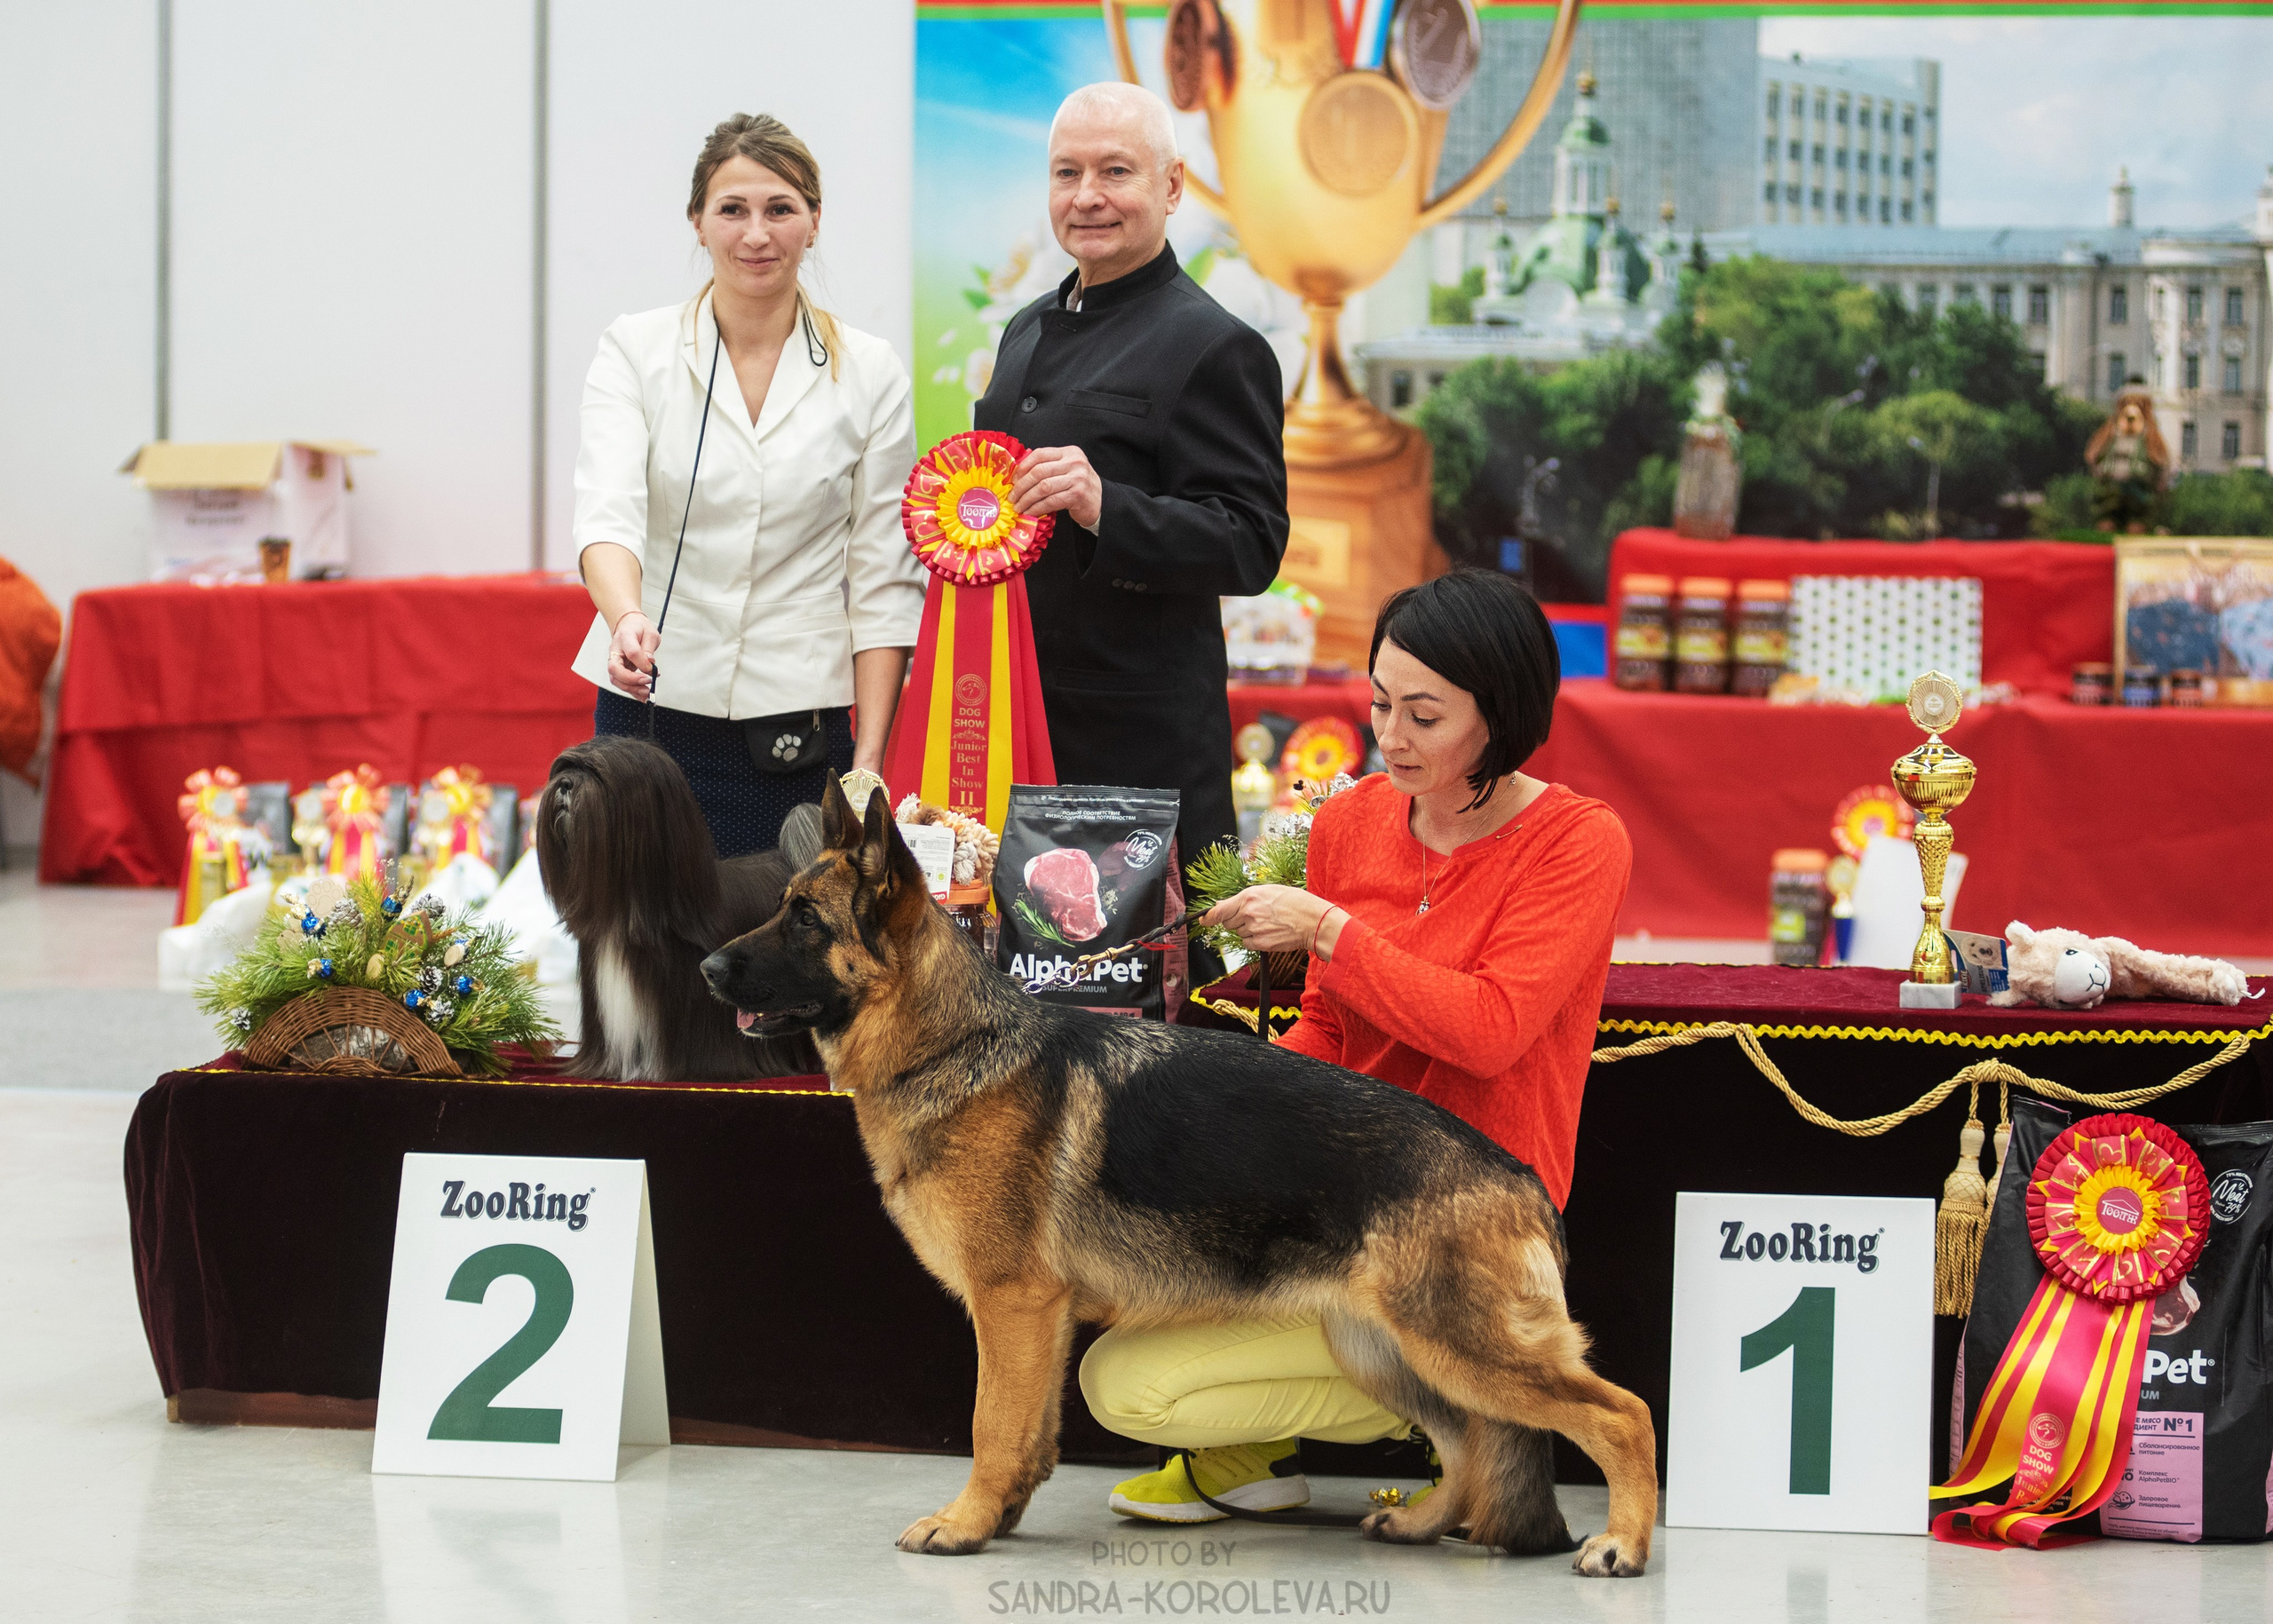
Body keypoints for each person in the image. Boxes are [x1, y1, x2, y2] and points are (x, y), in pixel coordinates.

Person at [1080, 570, 1633, 1522]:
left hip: (1468, 1213)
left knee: (1145, 1379)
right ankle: (1378, 1431)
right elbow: (1329, 1029)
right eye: (1380, 702)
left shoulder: (1576, 841)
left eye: (1424, 713)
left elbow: (1489, 1030)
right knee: (1120, 1373)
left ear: (1499, 716)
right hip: (1321, 1202)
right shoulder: (1348, 820)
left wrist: (1331, 928)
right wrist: (1232, 1121)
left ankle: (1459, 1394)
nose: (1390, 735)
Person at [571, 114, 923, 856]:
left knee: (789, 965)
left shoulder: (870, 370)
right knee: (639, 952)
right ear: (697, 223)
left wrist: (868, 765)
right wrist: (624, 614)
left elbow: (883, 578)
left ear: (815, 222)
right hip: (653, 710)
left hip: (801, 726)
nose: (756, 234)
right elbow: (608, 511)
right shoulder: (635, 350)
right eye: (732, 210)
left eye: (780, 209)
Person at [975, 83, 1287, 881]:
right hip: (1011, 719)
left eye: (1116, 172)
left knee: (1154, 993)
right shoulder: (1023, 329)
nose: (1087, 198)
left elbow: (1251, 543)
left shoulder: (1217, 344)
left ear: (1172, 186)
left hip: (1136, 751)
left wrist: (1105, 506)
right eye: (1066, 173)